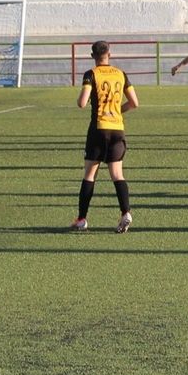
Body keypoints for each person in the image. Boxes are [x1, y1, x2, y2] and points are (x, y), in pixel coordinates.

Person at [73, 40, 139, 233]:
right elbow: (134, 103)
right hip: (117, 129)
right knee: (118, 174)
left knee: (90, 174)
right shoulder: (121, 74)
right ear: (109, 53)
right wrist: (117, 111)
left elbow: (82, 103)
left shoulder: (91, 74)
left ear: (93, 56)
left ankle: (82, 219)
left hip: (98, 129)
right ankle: (125, 212)